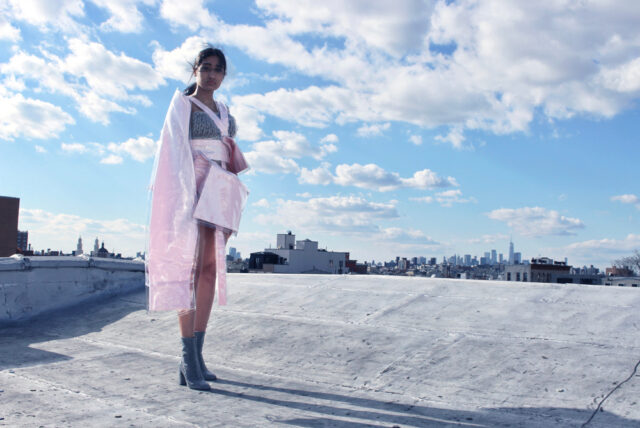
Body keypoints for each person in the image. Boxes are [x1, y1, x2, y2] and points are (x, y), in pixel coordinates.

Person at [146, 46, 249, 391]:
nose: (212, 74)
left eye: (218, 69)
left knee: (209, 270)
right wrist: (183, 194)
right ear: (195, 70)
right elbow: (172, 152)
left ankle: (196, 357)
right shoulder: (183, 105)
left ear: (224, 75)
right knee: (190, 273)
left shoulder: (226, 113)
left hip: (220, 191)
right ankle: (187, 358)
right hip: (192, 188)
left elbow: (228, 152)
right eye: (206, 67)